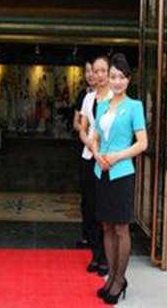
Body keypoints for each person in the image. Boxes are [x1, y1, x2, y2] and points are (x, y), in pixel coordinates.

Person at [91, 53, 148, 304]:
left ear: (128, 79)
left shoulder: (134, 106)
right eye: (113, 77)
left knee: (121, 228)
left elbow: (142, 143)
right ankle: (111, 276)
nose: (116, 81)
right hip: (101, 171)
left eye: (121, 77)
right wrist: (97, 154)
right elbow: (94, 137)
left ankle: (119, 279)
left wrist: (116, 156)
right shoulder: (102, 105)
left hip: (122, 173)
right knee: (106, 226)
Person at [78, 55, 113, 276]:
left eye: (102, 71)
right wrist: (89, 143)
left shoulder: (114, 98)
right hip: (88, 156)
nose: (98, 75)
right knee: (90, 206)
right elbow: (82, 128)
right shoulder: (89, 98)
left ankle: (105, 256)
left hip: (106, 159)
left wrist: (100, 148)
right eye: (95, 71)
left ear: (109, 73)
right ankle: (95, 253)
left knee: (104, 208)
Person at [72, 58, 96, 249]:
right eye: (87, 71)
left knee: (100, 198)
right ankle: (87, 236)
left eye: (95, 70)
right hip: (86, 149)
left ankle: (100, 241)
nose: (91, 75)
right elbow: (76, 121)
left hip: (104, 154)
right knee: (87, 196)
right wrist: (85, 133)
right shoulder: (84, 96)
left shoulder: (110, 96)